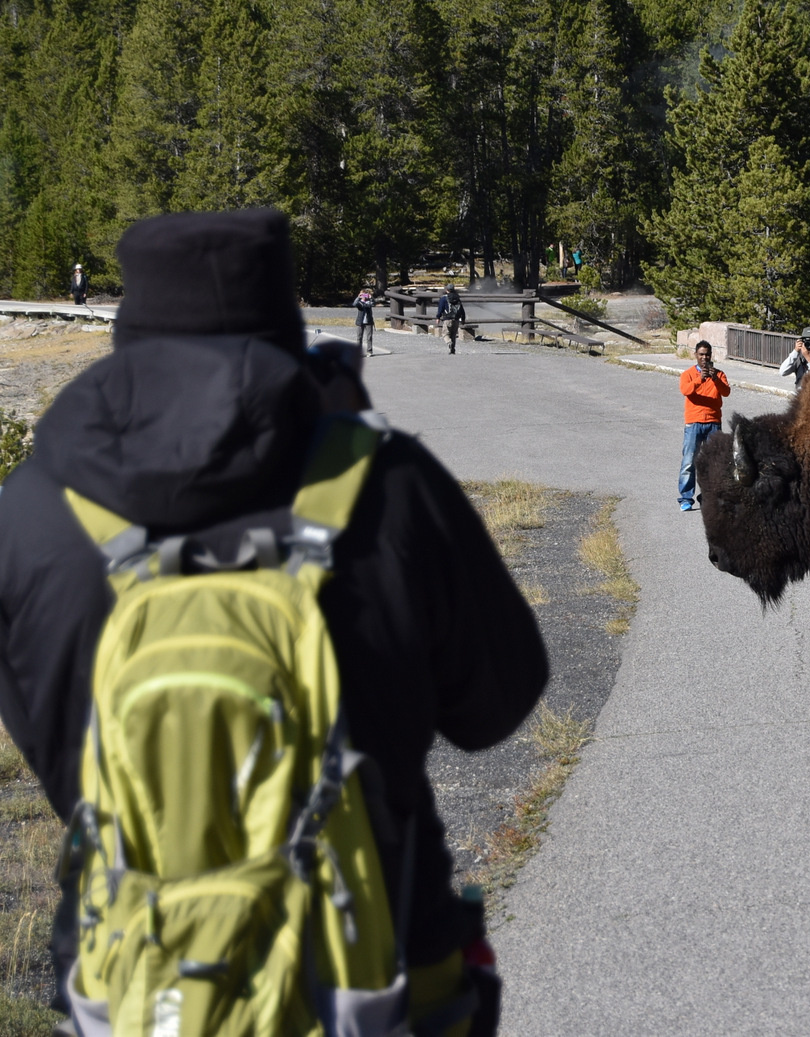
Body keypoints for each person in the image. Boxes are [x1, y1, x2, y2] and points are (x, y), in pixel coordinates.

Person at [0, 209, 547, 1034]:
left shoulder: (30, 514)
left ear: (126, 322)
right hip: (383, 977)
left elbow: (59, 759)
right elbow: (499, 703)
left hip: (141, 991)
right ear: (287, 319)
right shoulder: (390, 486)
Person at [679, 339, 729, 511]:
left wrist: (714, 378)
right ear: (696, 355)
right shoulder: (688, 374)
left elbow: (726, 392)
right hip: (694, 423)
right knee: (689, 462)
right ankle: (686, 498)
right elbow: (685, 390)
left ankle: (708, 496)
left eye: (707, 354)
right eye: (701, 354)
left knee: (714, 463)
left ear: (711, 355)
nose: (704, 357)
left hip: (713, 423)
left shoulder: (720, 374)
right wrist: (700, 379)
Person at [779, 326, 810, 391]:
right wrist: (795, 351)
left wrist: (809, 359)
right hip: (800, 397)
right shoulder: (798, 359)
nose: (809, 344)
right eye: (806, 341)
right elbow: (783, 372)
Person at [435, 283, 466, 354]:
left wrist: (438, 317)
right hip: (456, 319)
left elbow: (440, 309)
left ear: (447, 290)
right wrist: (463, 318)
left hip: (447, 319)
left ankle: (449, 343)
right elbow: (461, 309)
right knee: (453, 335)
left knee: (445, 334)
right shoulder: (457, 298)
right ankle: (452, 350)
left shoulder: (444, 298)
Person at [352, 286, 376, 355]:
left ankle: (369, 351)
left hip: (369, 321)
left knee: (369, 337)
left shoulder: (369, 302)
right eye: (362, 295)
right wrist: (358, 297)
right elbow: (354, 304)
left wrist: (371, 297)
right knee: (359, 337)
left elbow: (373, 303)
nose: (363, 296)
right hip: (360, 322)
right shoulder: (359, 303)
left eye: (365, 295)